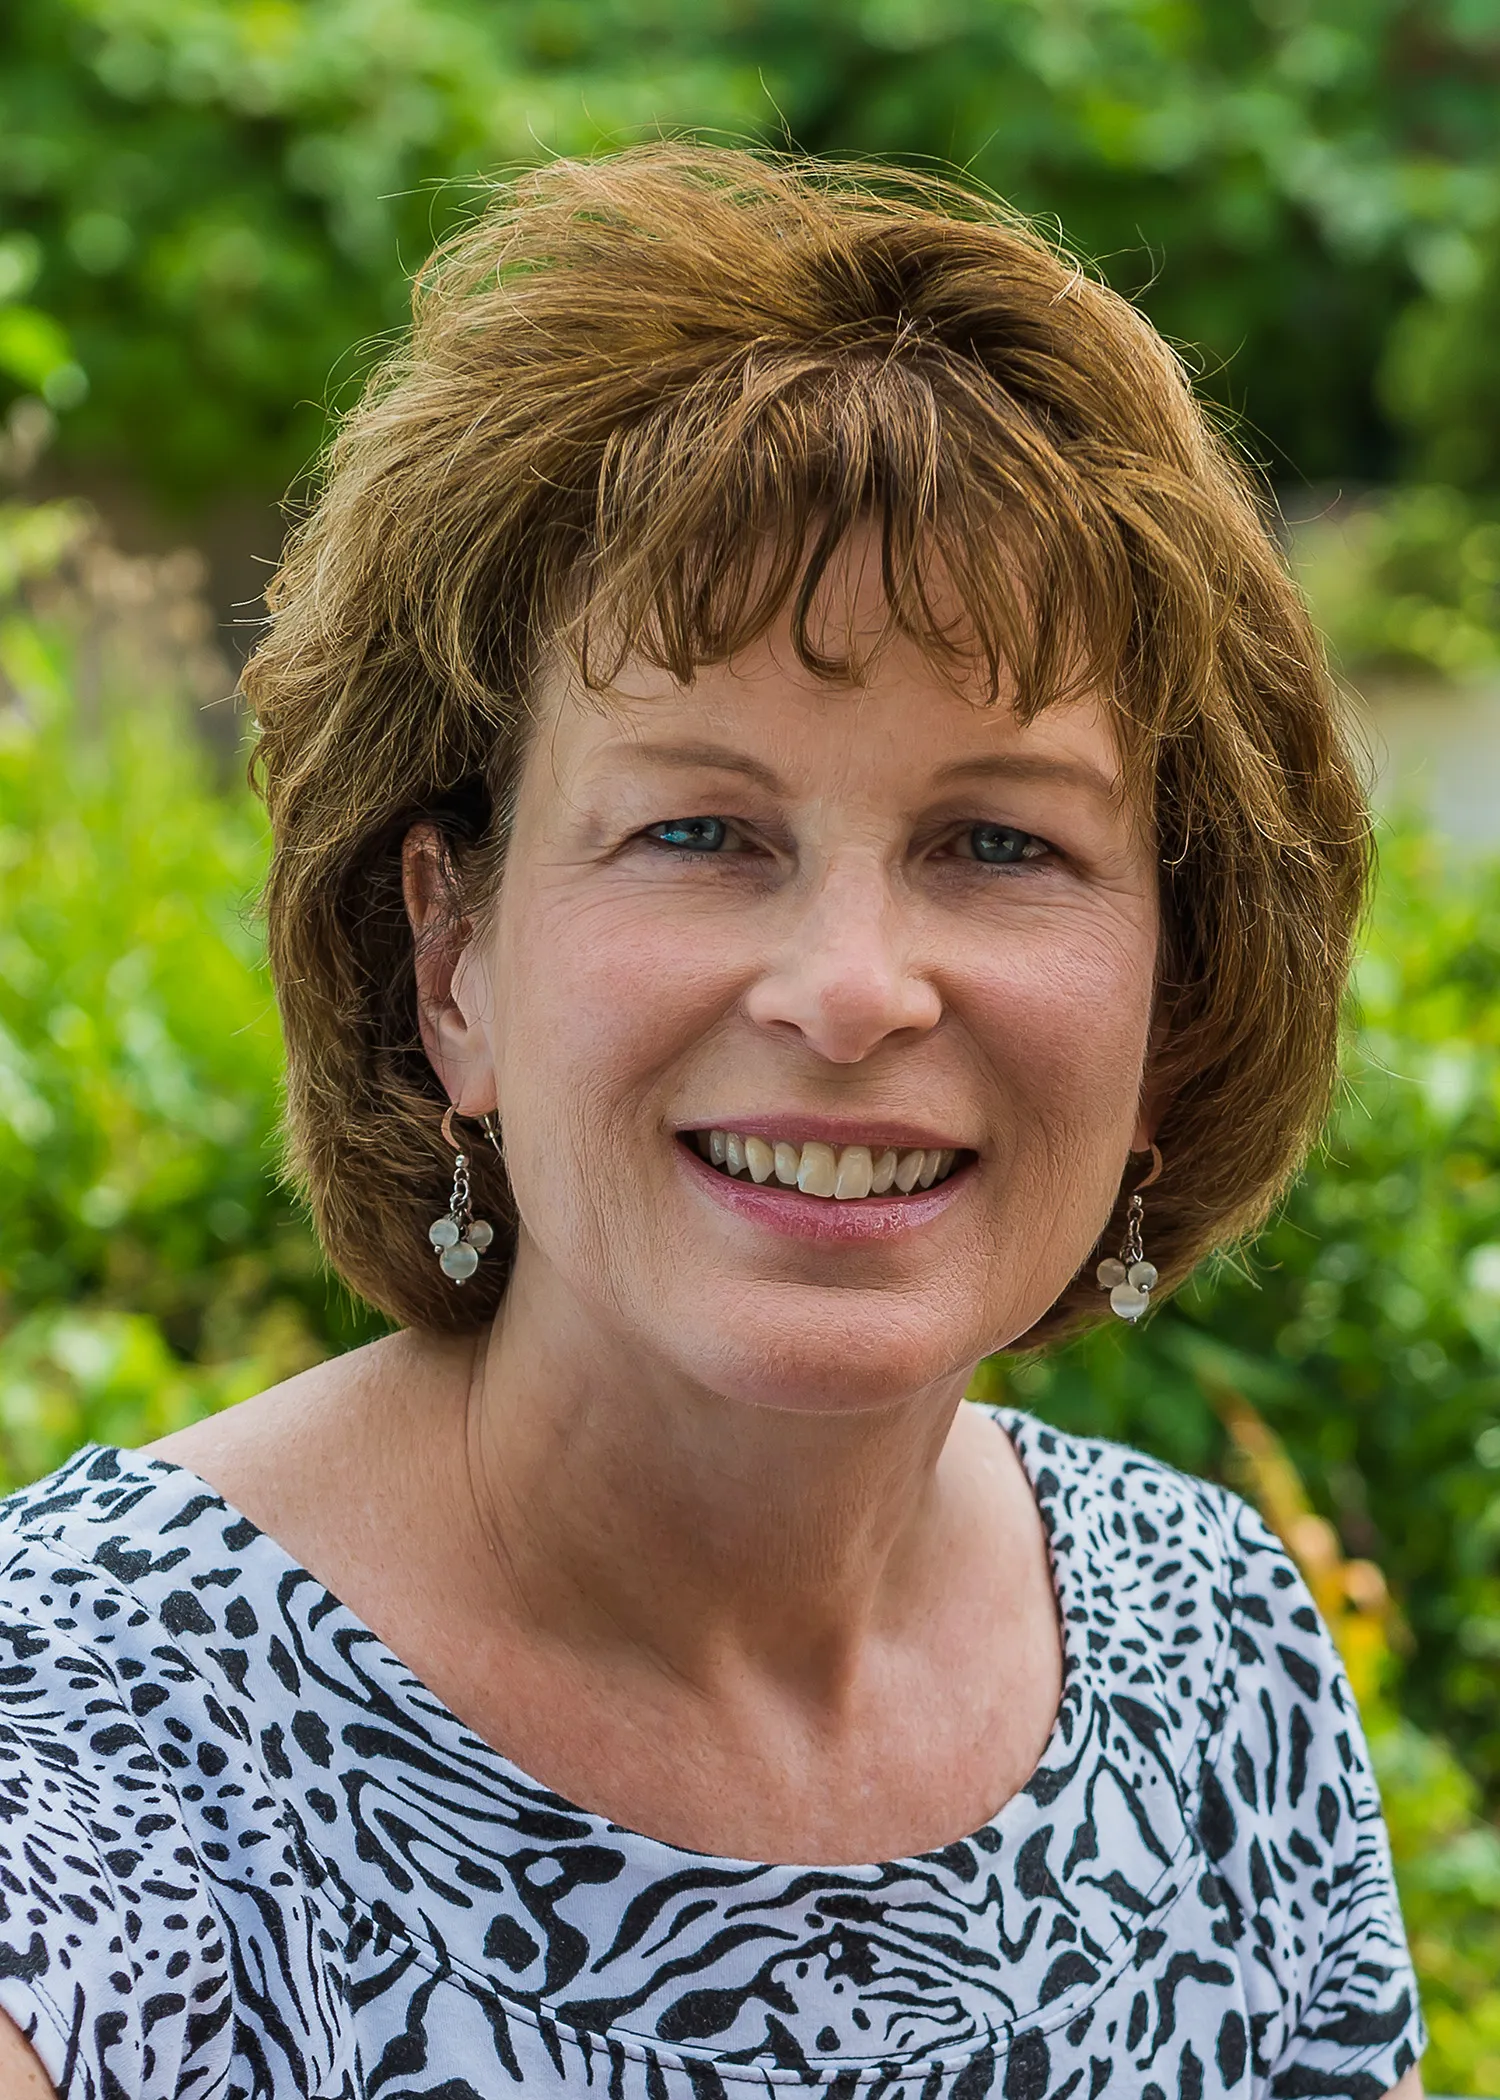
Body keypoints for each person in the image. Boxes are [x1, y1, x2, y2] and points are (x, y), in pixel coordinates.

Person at [0, 147, 1423, 2100]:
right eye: (699, 831)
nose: (852, 989)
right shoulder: (87, 1739)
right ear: (452, 967)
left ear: (1178, 996)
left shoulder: (1218, 1654)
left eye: (997, 841)